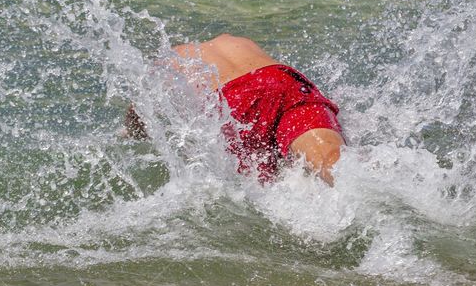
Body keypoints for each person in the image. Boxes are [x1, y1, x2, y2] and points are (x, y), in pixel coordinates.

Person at [124, 34, 345, 185]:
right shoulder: (233, 40)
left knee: (266, 190)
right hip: (280, 80)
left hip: (234, 100)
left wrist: (129, 133)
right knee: (331, 162)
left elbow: (139, 113)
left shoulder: (167, 61)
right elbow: (265, 85)